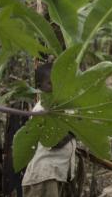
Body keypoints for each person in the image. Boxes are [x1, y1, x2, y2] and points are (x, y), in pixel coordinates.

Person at [22, 63, 78, 197]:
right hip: (44, 176)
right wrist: (75, 129)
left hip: (58, 174)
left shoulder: (64, 108)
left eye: (58, 82)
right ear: (39, 87)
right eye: (49, 83)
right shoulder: (41, 110)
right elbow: (53, 141)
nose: (55, 87)